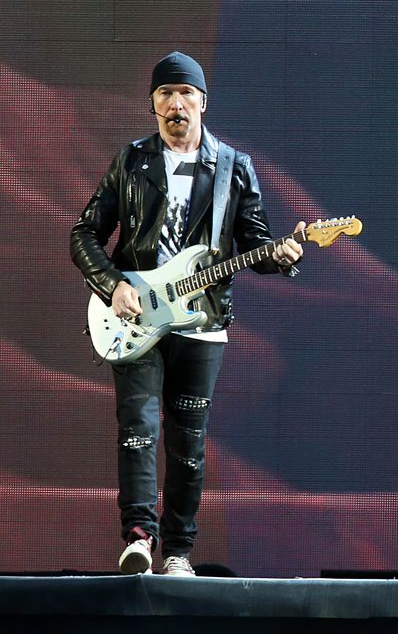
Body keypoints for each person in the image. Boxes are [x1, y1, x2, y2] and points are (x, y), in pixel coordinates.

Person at [70, 51, 305, 576]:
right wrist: (112, 286)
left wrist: (283, 256)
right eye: (164, 95)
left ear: (203, 101)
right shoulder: (132, 161)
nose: (175, 105)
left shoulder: (234, 168)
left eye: (185, 94)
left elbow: (256, 244)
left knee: (188, 442)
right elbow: (84, 232)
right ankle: (138, 538)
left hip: (202, 323)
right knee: (138, 424)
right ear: (152, 104)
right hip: (137, 315)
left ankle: (177, 551)